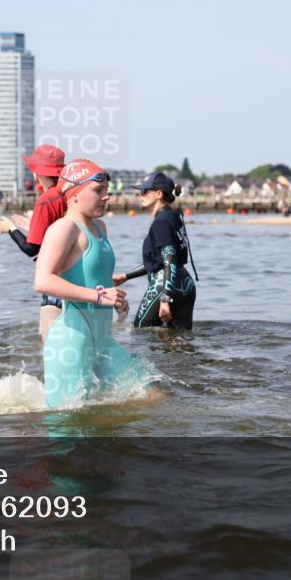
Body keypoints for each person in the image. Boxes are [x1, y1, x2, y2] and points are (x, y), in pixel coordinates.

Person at [35, 160, 148, 408]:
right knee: (67, 422)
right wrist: (97, 296)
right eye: (98, 190)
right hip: (71, 342)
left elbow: (97, 279)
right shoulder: (64, 228)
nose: (106, 197)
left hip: (103, 340)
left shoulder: (100, 228)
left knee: (151, 395)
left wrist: (115, 300)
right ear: (74, 194)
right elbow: (42, 281)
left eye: (106, 190)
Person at [0, 145, 68, 341]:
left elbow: (30, 249)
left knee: (49, 343)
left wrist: (11, 229)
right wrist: (32, 226)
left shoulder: (45, 199)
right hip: (75, 278)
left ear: (37, 173)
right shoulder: (68, 194)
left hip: (55, 279)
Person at [113, 173, 198, 330]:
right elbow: (159, 260)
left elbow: (170, 262)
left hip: (164, 287)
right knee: (179, 339)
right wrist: (126, 276)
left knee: (141, 332)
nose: (140, 195)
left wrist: (165, 300)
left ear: (159, 194)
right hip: (185, 284)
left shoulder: (161, 222)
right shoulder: (173, 216)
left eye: (144, 191)